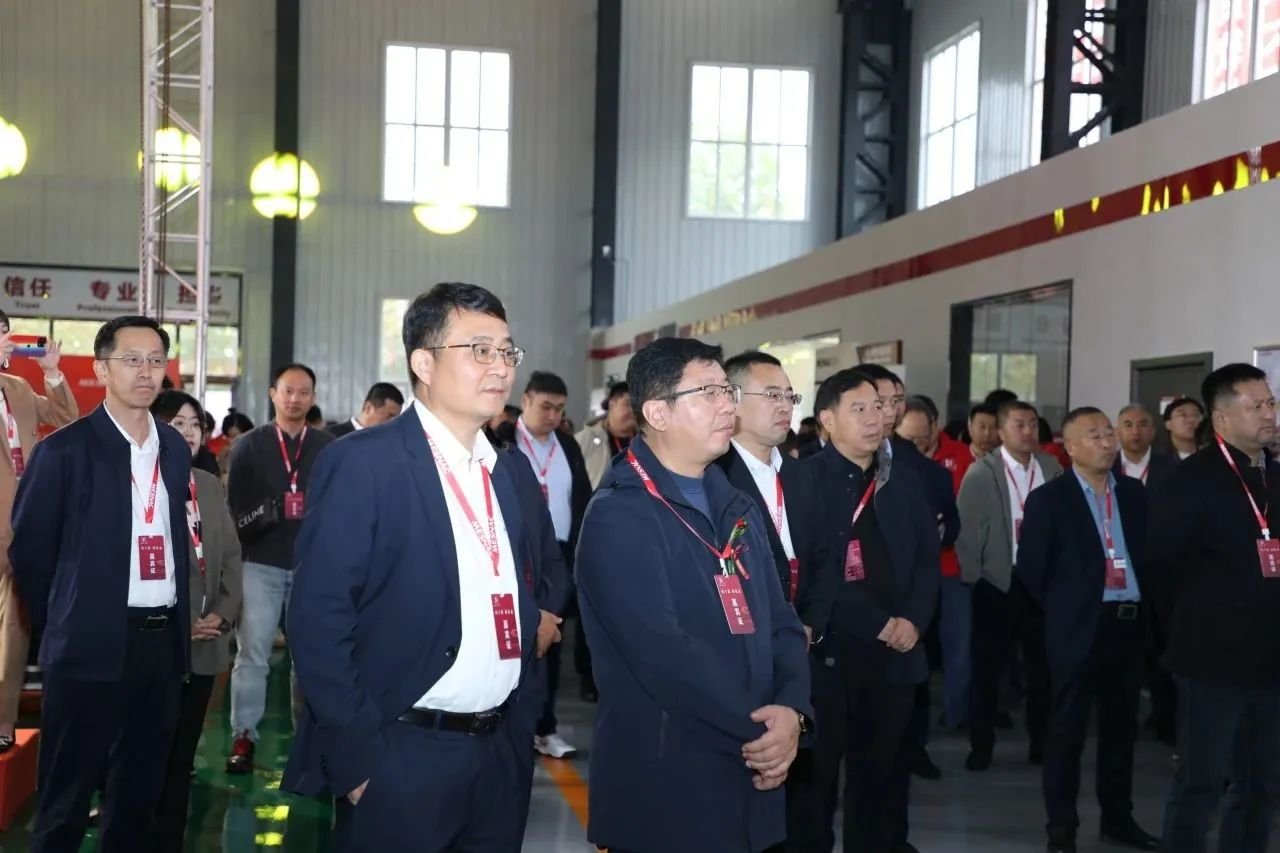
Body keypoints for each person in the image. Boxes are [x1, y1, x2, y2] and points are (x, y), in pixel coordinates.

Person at [284, 282, 561, 852]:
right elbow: (318, 619)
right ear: (424, 363)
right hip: (402, 753)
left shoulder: (507, 472)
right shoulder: (365, 463)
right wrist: (359, 756)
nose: (501, 367)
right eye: (479, 350)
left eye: (506, 351)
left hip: (500, 754)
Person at [575, 337, 811, 853]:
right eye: (709, 393)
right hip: (671, 778)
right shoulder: (620, 515)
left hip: (753, 767)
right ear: (657, 412)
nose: (728, 406)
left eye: (728, 391)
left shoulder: (737, 506)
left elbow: (782, 623)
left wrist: (792, 711)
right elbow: (665, 655)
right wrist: (763, 731)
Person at [10, 315, 191, 852]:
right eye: (131, 360)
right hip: (87, 645)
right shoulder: (64, 451)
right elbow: (31, 551)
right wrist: (65, 619)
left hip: (160, 645)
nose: (145, 371)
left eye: (155, 360)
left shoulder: (174, 448)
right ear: (102, 369)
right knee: (65, 797)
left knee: (138, 795)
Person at [793, 367, 939, 853]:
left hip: (895, 655)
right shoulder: (804, 481)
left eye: (879, 407)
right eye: (859, 409)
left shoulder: (903, 480)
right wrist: (879, 623)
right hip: (827, 656)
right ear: (827, 420)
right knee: (815, 783)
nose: (876, 418)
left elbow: (927, 560)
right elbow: (813, 573)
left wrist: (913, 621)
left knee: (881, 781)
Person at [1018, 408, 1160, 853]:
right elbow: (1032, 572)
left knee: (1121, 731)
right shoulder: (1049, 500)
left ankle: (1118, 817)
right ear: (1071, 447)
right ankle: (1062, 826)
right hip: (1078, 628)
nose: (1106, 442)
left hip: (1127, 627)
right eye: (1094, 436)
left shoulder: (1133, 494)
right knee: (1067, 731)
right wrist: (1068, 611)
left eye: (1108, 434)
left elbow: (1150, 556)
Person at [1153, 363, 1280, 853]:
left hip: (1271, 658)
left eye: (1271, 403)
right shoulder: (1190, 480)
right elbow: (1162, 567)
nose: (1269, 413)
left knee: (1261, 784)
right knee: (1200, 783)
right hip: (1211, 659)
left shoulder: (1273, 474)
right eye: (1256, 405)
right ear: (1222, 418)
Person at [146, 390, 244, 853]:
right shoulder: (142, 483)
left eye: (195, 424)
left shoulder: (207, 483)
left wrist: (222, 612)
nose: (188, 432)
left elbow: (231, 556)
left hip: (205, 642)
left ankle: (170, 839)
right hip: (158, 643)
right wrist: (181, 623)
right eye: (177, 423)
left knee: (183, 753)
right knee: (147, 752)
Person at [224, 363, 334, 773]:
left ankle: (308, 742)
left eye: (303, 392)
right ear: (273, 394)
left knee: (309, 659)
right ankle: (243, 736)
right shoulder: (248, 446)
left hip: (311, 568)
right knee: (252, 654)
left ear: (313, 398)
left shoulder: (327, 447)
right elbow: (234, 511)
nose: (295, 399)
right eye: (288, 391)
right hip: (260, 563)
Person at [957, 400, 1062, 771]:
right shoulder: (981, 473)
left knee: (1042, 670)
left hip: (1041, 584)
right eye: (1019, 424)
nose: (1028, 431)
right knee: (987, 670)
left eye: (1033, 423)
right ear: (1001, 432)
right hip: (997, 582)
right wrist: (976, 577)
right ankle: (981, 745)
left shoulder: (1051, 468)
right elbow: (967, 532)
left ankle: (1041, 744)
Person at [504, 370, 592, 760]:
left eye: (560, 409)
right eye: (546, 406)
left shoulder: (568, 445)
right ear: (525, 400)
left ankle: (545, 727)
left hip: (559, 557)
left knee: (551, 640)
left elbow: (582, 499)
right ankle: (511, 725)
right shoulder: (504, 441)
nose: (553, 415)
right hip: (515, 557)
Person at [0, 314, 76, 753]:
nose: (5, 341)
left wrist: (51, 373)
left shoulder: (19, 388)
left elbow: (66, 417)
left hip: (23, 526)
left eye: (4, 332)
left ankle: (4, 721)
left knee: (13, 632)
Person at [898, 395, 976, 732]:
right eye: (908, 439)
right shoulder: (890, 463)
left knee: (958, 646)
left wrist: (942, 533)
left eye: (922, 437)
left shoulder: (958, 460)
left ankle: (956, 714)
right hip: (908, 578)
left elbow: (960, 518)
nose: (916, 445)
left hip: (950, 569)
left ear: (935, 426)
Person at [576, 381, 637, 489]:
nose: (634, 410)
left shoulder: (648, 441)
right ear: (611, 404)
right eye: (628, 404)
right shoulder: (586, 439)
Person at [1114, 404, 1176, 491]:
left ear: (1152, 432)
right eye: (1128, 425)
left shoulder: (1172, 467)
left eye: (1142, 425)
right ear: (1117, 433)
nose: (1135, 432)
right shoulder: (1107, 466)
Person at [328, 382, 406, 437]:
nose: (393, 423)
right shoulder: (331, 435)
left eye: (396, 419)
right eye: (389, 416)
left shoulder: (390, 442)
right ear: (368, 408)